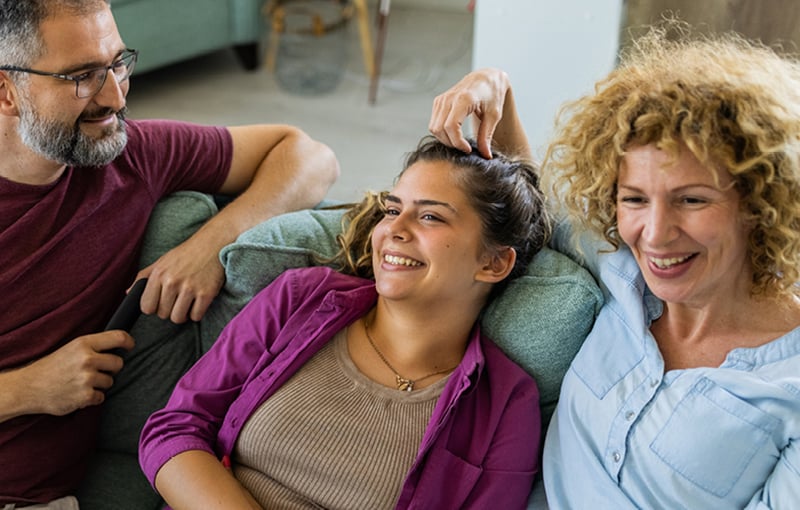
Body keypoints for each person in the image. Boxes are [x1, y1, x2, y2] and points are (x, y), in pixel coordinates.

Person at [430, 24, 800, 509]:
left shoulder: (787, 386)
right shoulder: (624, 274)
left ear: (759, 203)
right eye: (635, 199)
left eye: (691, 200)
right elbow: (532, 199)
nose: (655, 232)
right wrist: (494, 86)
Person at [0, 0, 339, 506]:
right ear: (7, 91)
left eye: (118, 63)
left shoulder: (133, 157)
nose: (114, 96)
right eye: (81, 76)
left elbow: (310, 156)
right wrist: (26, 389)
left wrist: (212, 242)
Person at [138, 136, 549, 509]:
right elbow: (174, 428)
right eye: (393, 209)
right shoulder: (300, 298)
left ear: (494, 262)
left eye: (430, 218)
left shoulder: (507, 403)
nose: (393, 231)